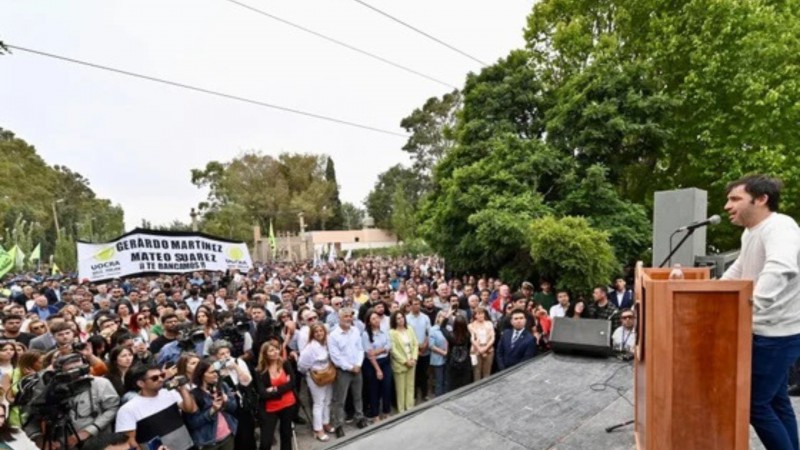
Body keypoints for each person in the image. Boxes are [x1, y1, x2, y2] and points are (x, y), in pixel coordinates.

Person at [721, 175, 800, 450]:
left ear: (762, 199)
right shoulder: (750, 232)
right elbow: (739, 270)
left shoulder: (780, 227)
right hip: (763, 329)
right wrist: (710, 294)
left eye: (735, 199)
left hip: (776, 333)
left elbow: (780, 268)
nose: (727, 206)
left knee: (755, 405)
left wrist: (750, 307)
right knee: (777, 401)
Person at [25, 353, 120, 450]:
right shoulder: (48, 390)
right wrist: (39, 439)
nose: (78, 373)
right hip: (62, 444)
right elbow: (29, 418)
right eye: (71, 370)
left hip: (96, 442)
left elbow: (112, 408)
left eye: (80, 368)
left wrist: (89, 431)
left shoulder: (101, 384)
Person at [115, 363, 198, 450]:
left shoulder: (170, 393)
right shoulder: (128, 409)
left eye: (162, 375)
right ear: (141, 383)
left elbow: (191, 409)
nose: (161, 379)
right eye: (155, 378)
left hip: (187, 446)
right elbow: (130, 442)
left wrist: (182, 389)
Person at [328, 307, 368, 436]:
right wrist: (350, 367)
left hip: (357, 368)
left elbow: (360, 349)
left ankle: (359, 418)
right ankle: (339, 424)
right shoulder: (333, 335)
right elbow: (335, 357)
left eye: (350, 316)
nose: (348, 318)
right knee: (340, 400)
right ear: (339, 318)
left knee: (358, 396)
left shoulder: (355, 330)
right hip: (343, 371)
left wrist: (358, 364)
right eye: (345, 316)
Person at [185, 358, 238, 450]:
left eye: (216, 372)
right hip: (208, 442)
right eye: (211, 372)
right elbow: (192, 423)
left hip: (228, 435)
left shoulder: (222, 385)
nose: (215, 375)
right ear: (201, 375)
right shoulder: (194, 394)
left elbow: (234, 408)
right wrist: (211, 411)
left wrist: (226, 402)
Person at [255, 342, 296, 450]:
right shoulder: (259, 371)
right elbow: (263, 393)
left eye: (276, 349)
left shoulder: (285, 363)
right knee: (266, 441)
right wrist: (284, 387)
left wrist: (275, 389)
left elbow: (292, 383)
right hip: (270, 408)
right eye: (271, 350)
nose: (275, 352)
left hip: (288, 404)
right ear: (265, 354)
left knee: (286, 435)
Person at [298, 323, 335, 441]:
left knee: (328, 400)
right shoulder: (309, 348)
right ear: (312, 334)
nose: (319, 333)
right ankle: (318, 429)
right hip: (315, 378)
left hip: (328, 375)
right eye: (316, 332)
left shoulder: (327, 343)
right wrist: (311, 373)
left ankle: (326, 422)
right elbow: (301, 366)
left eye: (321, 331)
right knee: (318, 403)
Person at [361, 309, 392, 423]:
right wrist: (378, 370)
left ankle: (386, 411)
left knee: (387, 387)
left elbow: (389, 345)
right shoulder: (365, 334)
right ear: (369, 322)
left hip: (385, 361)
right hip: (373, 365)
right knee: (374, 390)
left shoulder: (384, 330)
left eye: (377, 318)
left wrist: (379, 350)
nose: (376, 320)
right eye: (373, 319)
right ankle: (375, 414)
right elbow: (369, 354)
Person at [389, 310, 418, 413]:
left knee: (410, 386)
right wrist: (405, 361)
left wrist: (414, 358)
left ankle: (410, 408)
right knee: (400, 389)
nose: (401, 320)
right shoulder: (392, 333)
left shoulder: (409, 328)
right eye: (398, 318)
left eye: (402, 317)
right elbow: (393, 350)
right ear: (394, 320)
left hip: (412, 361)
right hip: (400, 364)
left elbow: (415, 344)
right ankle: (402, 411)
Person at [405, 297, 431, 401]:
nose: (417, 306)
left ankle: (425, 394)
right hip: (412, 351)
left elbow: (429, 333)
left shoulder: (425, 317)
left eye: (418, 304)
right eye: (415, 304)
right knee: (414, 375)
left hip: (424, 349)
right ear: (410, 306)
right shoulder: (406, 319)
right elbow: (406, 335)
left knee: (424, 374)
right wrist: (416, 349)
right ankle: (414, 396)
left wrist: (425, 345)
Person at [442, 314, 472, 391]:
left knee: (452, 385)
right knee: (465, 385)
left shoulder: (451, 336)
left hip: (452, 363)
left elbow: (442, 327)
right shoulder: (468, 335)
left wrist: (447, 316)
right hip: (465, 363)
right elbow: (469, 347)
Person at [468, 306, 494, 381]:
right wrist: (480, 350)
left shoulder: (489, 323)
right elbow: (472, 339)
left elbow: (493, 337)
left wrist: (485, 349)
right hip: (476, 351)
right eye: (478, 314)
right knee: (476, 372)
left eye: (482, 313)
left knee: (487, 372)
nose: (481, 315)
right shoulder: (471, 325)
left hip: (489, 350)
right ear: (475, 315)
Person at [429, 311, 448, 396]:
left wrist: (447, 352)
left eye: (445, 317)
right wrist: (443, 352)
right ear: (438, 318)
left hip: (447, 357)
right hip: (438, 358)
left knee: (446, 380)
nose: (443, 318)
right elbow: (431, 346)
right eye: (441, 317)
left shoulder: (448, 328)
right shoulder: (433, 329)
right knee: (439, 380)